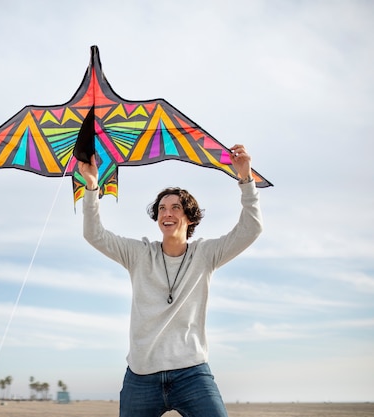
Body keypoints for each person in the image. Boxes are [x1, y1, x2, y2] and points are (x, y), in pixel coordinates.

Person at [78, 144, 263, 417]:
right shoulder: (140, 254)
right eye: (162, 208)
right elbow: (94, 234)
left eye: (176, 207)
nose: (167, 213)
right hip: (141, 376)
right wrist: (92, 188)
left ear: (189, 217)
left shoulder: (205, 254)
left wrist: (246, 180)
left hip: (192, 372)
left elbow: (251, 228)